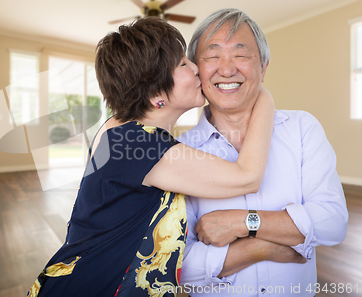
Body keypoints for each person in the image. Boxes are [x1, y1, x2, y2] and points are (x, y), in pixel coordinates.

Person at [27, 17, 275, 297]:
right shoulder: (139, 145)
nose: (196, 68)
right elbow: (247, 177)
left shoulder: (117, 128)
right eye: (183, 64)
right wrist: (263, 95)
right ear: (156, 91)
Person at [177, 8, 349, 296]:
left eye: (241, 55)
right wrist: (260, 247)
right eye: (212, 56)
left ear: (264, 67)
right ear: (197, 71)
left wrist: (242, 222)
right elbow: (181, 267)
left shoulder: (302, 128)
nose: (227, 68)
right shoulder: (181, 152)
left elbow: (332, 222)